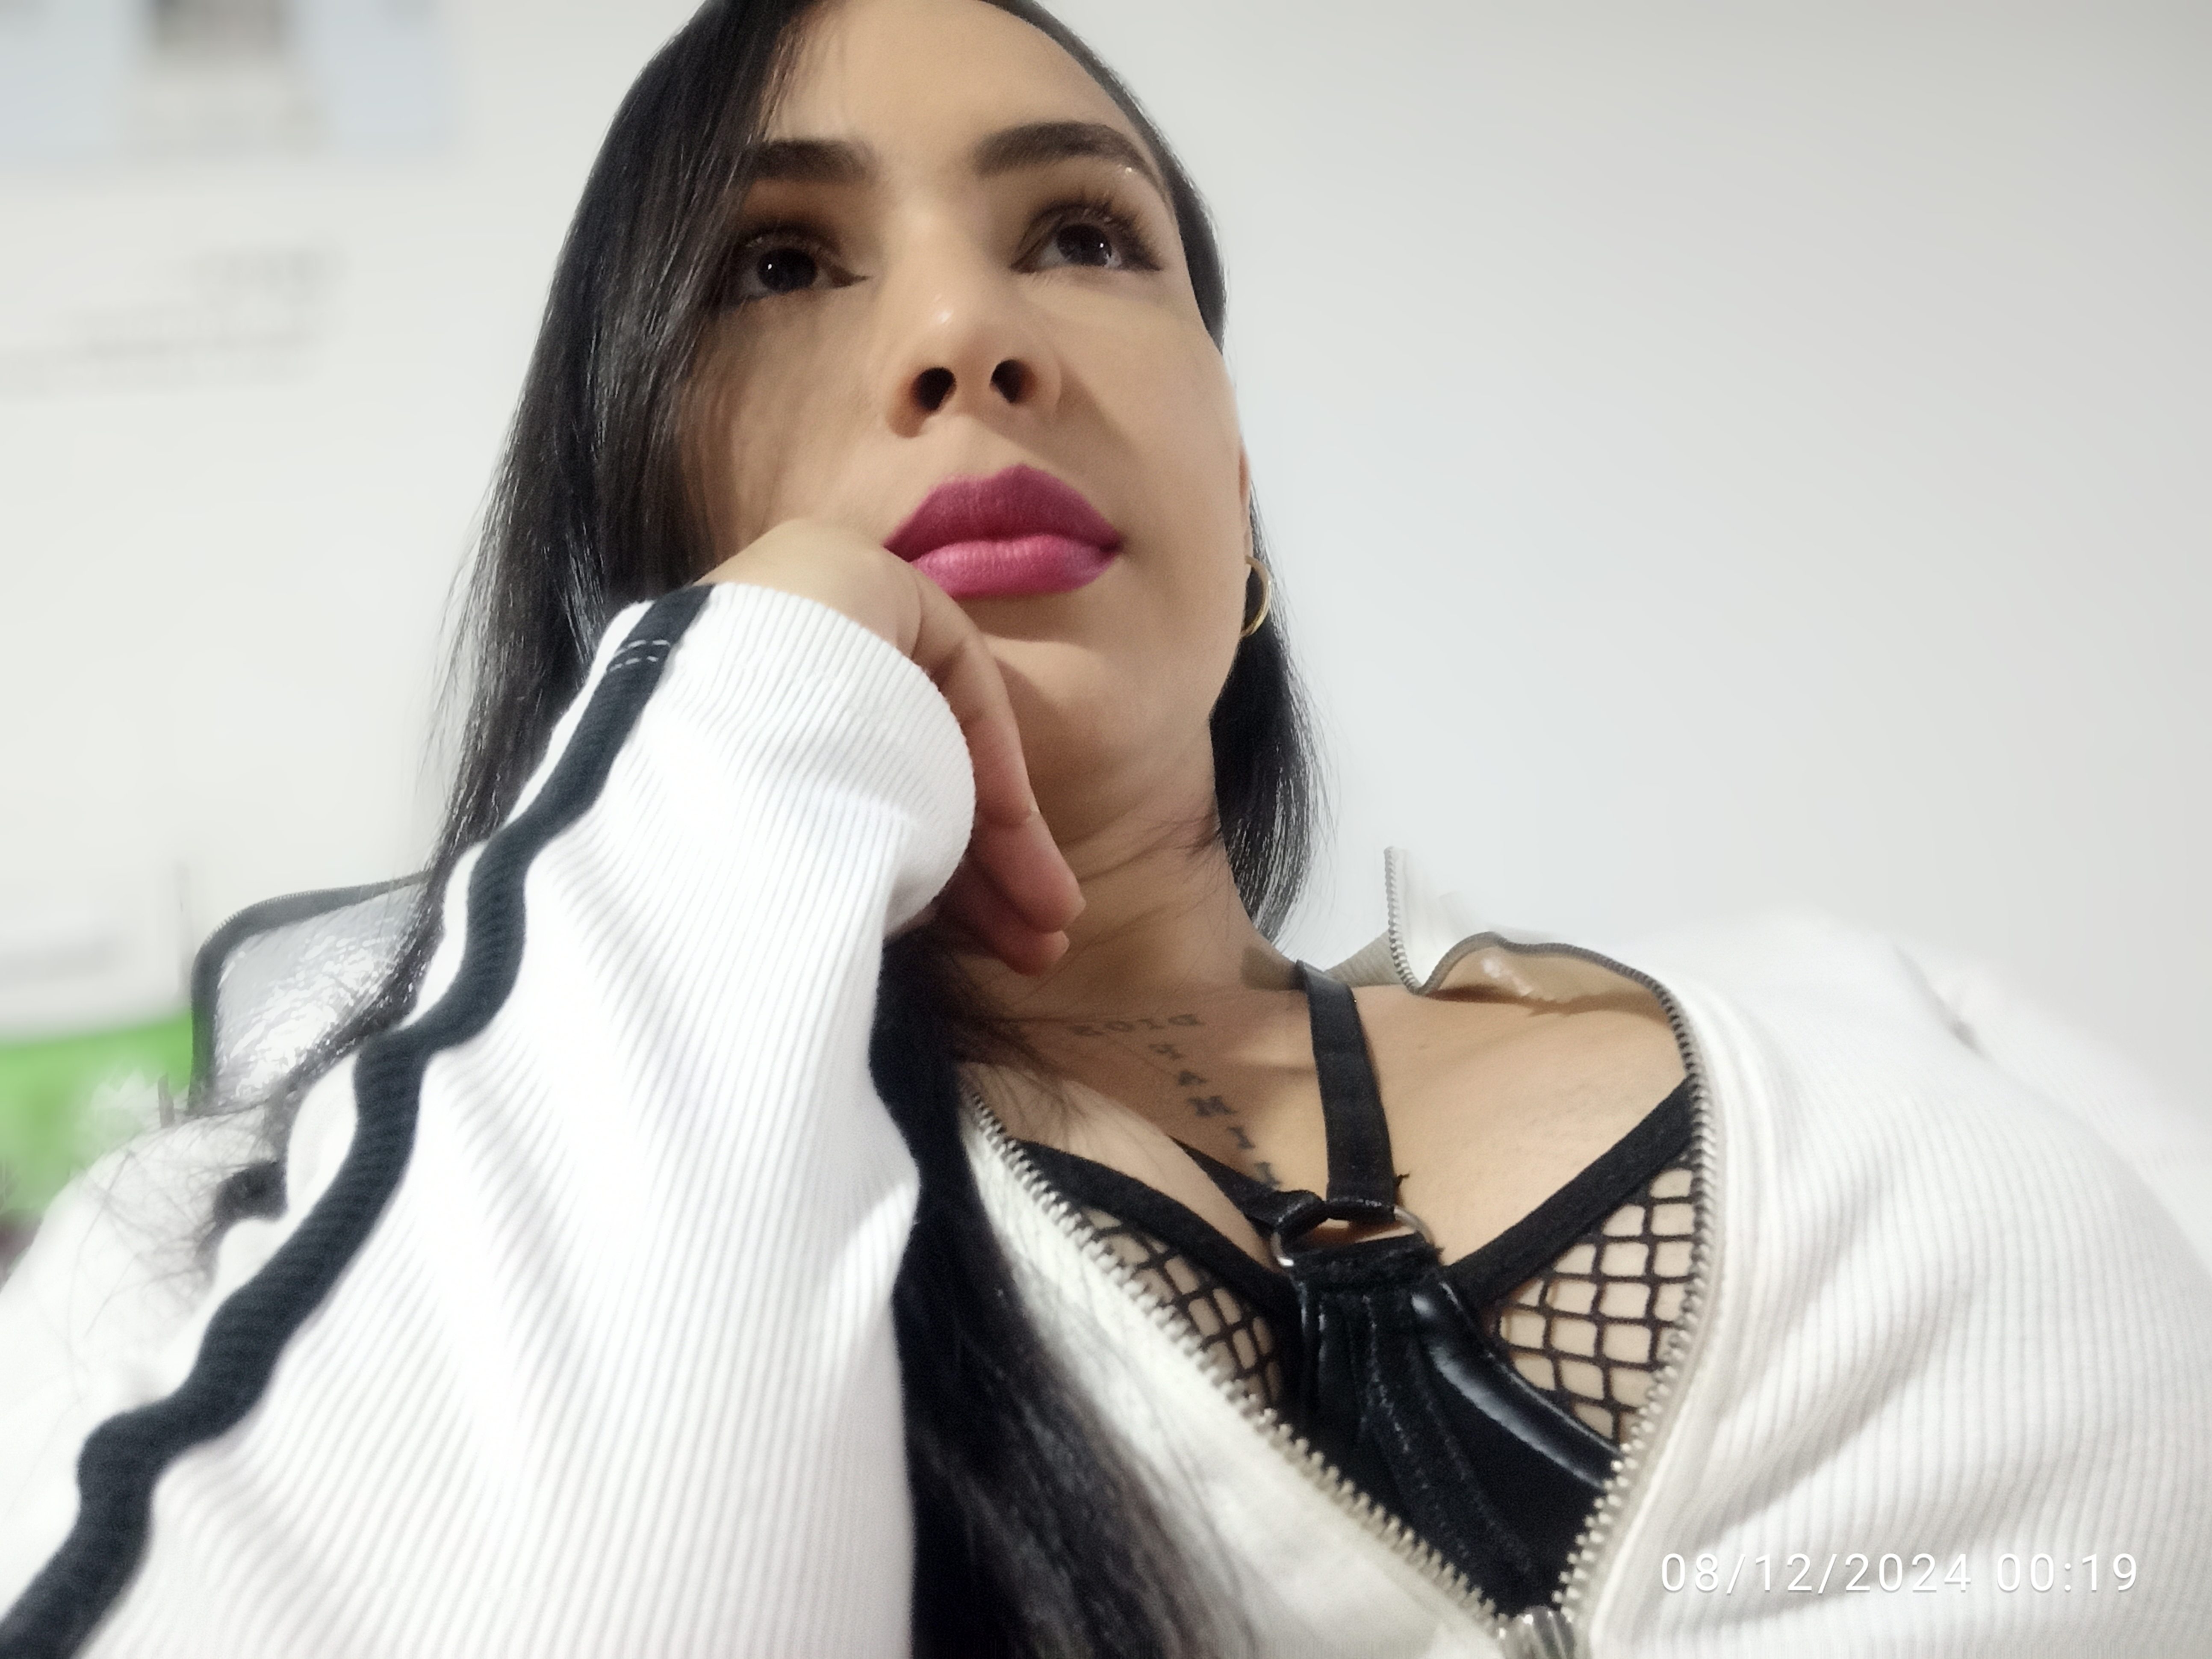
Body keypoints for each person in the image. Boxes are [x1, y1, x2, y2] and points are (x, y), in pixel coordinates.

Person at [4, 1, 2210, 1654]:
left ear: (1237, 494)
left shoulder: (1890, 1006)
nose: (968, 333)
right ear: (627, 525)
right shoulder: (209, 1249)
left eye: (1082, 234)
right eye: (775, 264)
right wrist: (739, 718)